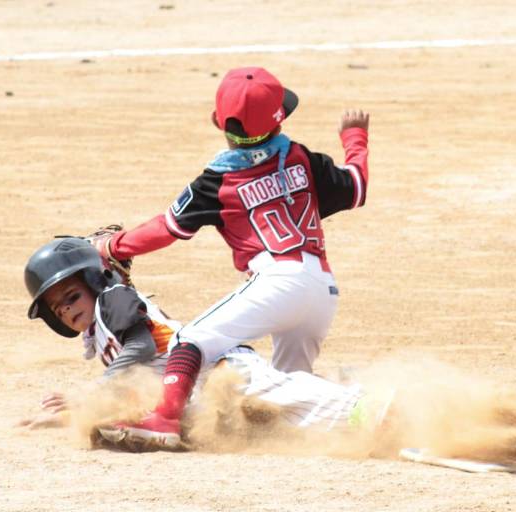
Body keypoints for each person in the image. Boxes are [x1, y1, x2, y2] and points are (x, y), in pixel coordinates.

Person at [93, 66, 371, 448]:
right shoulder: (302, 158)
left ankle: (165, 419)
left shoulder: (217, 180)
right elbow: (356, 187)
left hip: (278, 280)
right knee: (283, 393)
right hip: (323, 289)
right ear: (279, 120)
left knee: (189, 340)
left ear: (221, 125)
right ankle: (361, 411)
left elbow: (166, 228)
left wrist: (112, 246)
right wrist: (355, 138)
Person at [21, 237, 392, 447]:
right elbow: (136, 386)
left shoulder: (112, 300)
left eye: (71, 297)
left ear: (93, 281)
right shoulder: (101, 332)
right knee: (282, 425)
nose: (66, 311)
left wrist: (91, 395)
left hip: (220, 369)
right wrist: (68, 417)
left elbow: (142, 349)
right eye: (57, 308)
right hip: (195, 391)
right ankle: (352, 391)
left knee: (278, 393)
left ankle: (368, 405)